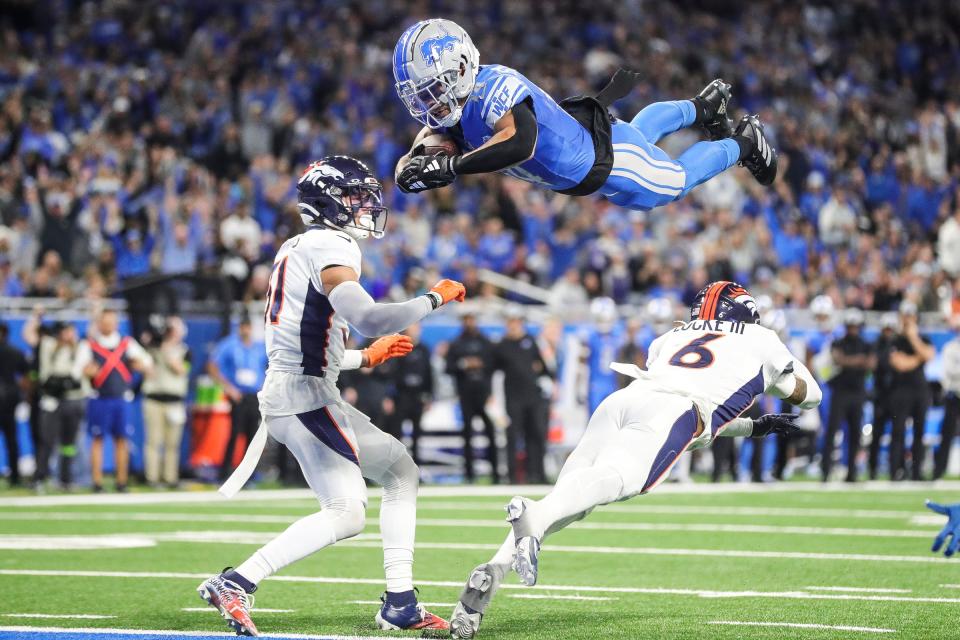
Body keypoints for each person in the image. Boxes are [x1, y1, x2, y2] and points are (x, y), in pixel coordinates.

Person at [449, 281, 821, 639]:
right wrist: (777, 370)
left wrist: (754, 427)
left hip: (624, 400)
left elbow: (702, 405)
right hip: (671, 411)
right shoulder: (761, 339)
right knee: (616, 481)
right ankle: (531, 516)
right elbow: (810, 396)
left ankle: (489, 578)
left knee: (570, 501)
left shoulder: (672, 337)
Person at [197, 156, 465, 635]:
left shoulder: (297, 247)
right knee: (347, 512)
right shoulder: (329, 244)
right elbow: (370, 318)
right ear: (329, 202)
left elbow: (306, 344)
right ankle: (236, 580)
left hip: (299, 391)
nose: (366, 206)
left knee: (400, 471)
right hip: (305, 398)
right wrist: (435, 298)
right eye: (355, 197)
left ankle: (400, 602)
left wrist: (365, 359)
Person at [392, 19, 777, 210]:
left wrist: (452, 167)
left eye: (434, 90)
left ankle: (743, 142)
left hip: (602, 161)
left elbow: (519, 143)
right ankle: (704, 106)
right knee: (639, 139)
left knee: (670, 185)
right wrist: (414, 165)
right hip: (590, 153)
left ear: (460, 69)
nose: (431, 104)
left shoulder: (493, 84)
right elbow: (425, 144)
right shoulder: (449, 109)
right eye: (422, 97)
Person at [75, 309, 152, 493]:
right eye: (105, 322)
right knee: (97, 440)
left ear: (116, 324)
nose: (108, 325)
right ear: (99, 324)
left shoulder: (127, 343)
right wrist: (87, 371)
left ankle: (121, 481)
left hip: (121, 398)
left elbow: (146, 362)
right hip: (99, 398)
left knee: (122, 440)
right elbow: (76, 370)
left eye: (111, 322)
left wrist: (139, 365)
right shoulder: (89, 345)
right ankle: (97, 482)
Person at [492, 309, 551, 484]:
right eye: (511, 322)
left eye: (517, 322)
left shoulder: (530, 341)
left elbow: (543, 366)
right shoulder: (501, 346)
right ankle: (512, 477)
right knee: (512, 437)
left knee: (535, 435)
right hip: (513, 398)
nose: (514, 326)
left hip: (533, 397)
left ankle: (537, 475)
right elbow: (493, 372)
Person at [208, 316, 268, 482]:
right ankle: (225, 472)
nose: (246, 330)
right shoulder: (229, 345)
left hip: (254, 395)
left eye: (248, 326)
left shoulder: (259, 347)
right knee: (235, 434)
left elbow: (269, 366)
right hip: (238, 395)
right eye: (243, 326)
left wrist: (265, 387)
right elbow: (212, 366)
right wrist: (229, 388)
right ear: (240, 327)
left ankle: (249, 474)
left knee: (252, 436)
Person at [821, 308, 875, 482]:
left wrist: (850, 361)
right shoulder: (839, 342)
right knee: (832, 431)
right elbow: (838, 359)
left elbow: (871, 364)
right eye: (850, 325)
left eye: (855, 326)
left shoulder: (866, 344)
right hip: (841, 392)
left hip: (857, 392)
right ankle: (826, 471)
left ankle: (852, 472)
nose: (853, 329)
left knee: (854, 434)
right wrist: (858, 361)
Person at [446, 311, 498, 483]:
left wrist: (481, 366)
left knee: (490, 431)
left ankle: (496, 472)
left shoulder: (485, 342)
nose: (469, 322)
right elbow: (449, 367)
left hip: (483, 394)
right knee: (467, 433)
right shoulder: (457, 343)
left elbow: (493, 365)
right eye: (466, 319)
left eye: (472, 319)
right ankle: (469, 473)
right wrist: (464, 365)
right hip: (465, 394)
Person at [888, 301, 935, 481]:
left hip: (920, 391)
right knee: (898, 431)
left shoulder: (923, 338)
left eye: (911, 315)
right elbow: (900, 364)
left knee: (919, 432)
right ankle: (895, 471)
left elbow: (929, 355)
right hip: (901, 391)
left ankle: (916, 472)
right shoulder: (895, 340)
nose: (908, 319)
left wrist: (913, 338)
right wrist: (918, 357)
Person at [142, 316, 191, 488]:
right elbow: (144, 361)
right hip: (154, 399)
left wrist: (166, 349)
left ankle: (170, 477)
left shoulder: (185, 351)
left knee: (172, 443)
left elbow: (180, 370)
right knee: (154, 441)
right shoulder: (154, 348)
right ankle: (152, 477)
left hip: (175, 401)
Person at [35, 321, 85, 490]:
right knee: (47, 440)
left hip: (73, 400)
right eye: (65, 332)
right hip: (53, 399)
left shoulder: (79, 347)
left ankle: (65, 478)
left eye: (71, 331)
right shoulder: (49, 346)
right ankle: (40, 477)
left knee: (69, 443)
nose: (68, 336)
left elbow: (78, 377)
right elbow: (47, 377)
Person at [384, 322, 433, 463]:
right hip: (402, 395)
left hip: (418, 396)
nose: (414, 330)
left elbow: (429, 373)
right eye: (412, 327)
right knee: (397, 432)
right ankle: (397, 467)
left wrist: (429, 396)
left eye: (416, 327)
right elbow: (392, 374)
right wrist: (389, 396)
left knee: (417, 434)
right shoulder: (399, 347)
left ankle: (416, 468)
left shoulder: (424, 349)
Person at [869, 313, 900, 479]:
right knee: (878, 433)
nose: (888, 332)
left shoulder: (898, 344)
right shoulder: (877, 345)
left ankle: (896, 469)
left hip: (896, 394)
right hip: (881, 394)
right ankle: (872, 468)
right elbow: (875, 366)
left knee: (897, 433)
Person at [0, 321, 29, 487]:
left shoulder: (14, 352)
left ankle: (15, 476)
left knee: (12, 440)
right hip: (10, 399)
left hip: (8, 401)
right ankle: (15, 477)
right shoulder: (16, 351)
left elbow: (26, 377)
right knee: (12, 439)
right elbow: (26, 377)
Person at [934, 320, 960, 480]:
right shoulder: (950, 348)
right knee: (947, 433)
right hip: (954, 394)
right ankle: (939, 470)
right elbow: (949, 371)